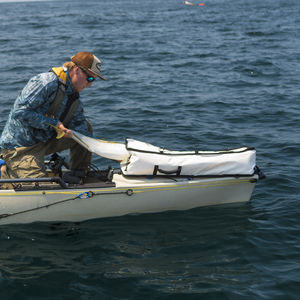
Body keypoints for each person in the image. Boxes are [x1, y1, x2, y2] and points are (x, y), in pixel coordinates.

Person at [0, 51, 106, 182]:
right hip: (21, 147)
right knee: (39, 188)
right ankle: (5, 173)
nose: (90, 84)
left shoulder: (74, 97)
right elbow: (20, 112)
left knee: (86, 127)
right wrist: (54, 124)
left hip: (43, 143)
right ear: (77, 70)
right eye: (90, 78)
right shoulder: (45, 82)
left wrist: (106, 150)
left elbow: (82, 130)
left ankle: (79, 174)